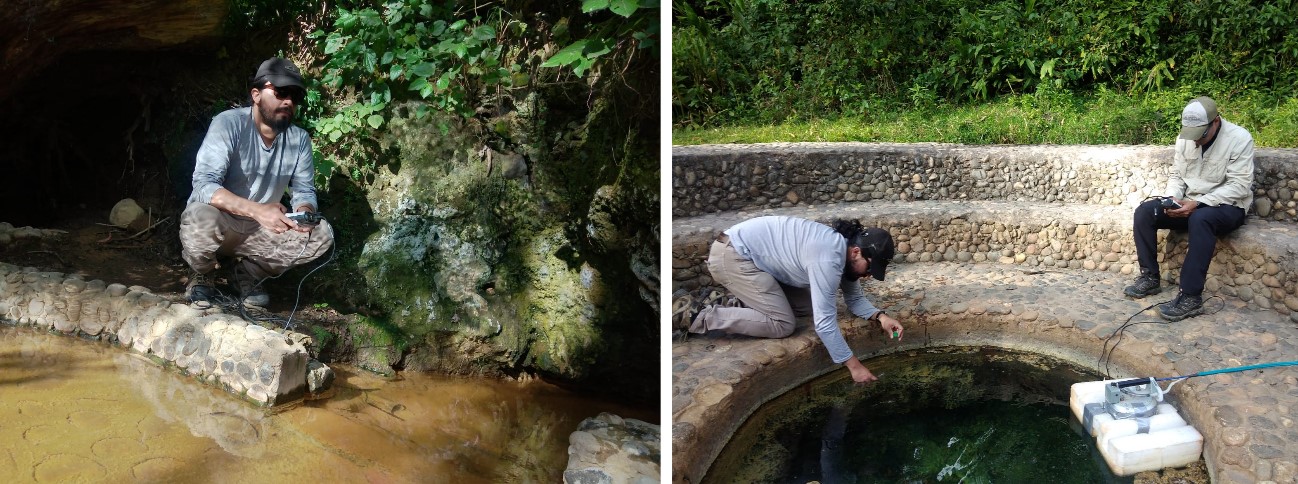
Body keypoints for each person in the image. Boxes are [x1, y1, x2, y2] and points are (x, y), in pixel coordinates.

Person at [180, 57, 334, 308]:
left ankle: (246, 275)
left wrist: (305, 213)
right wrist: (257, 210)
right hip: (223, 221)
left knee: (321, 234)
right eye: (281, 92)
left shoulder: (299, 139)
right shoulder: (228, 124)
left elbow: (304, 190)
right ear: (256, 94)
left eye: (295, 96)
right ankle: (203, 272)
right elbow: (203, 186)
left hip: (264, 231)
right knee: (199, 216)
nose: (288, 102)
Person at [688, 215, 904, 383]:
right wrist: (855, 367)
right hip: (732, 256)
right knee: (782, 325)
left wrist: (881, 317)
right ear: (857, 252)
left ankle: (747, 303)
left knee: (808, 305)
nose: (868, 276)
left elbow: (854, 299)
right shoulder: (828, 259)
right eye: (870, 268)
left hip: (752, 258)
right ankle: (695, 316)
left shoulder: (843, 251)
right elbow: (824, 324)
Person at [1124, 96, 1254, 321]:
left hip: (1228, 206)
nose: (1195, 141)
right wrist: (1173, 199)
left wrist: (1200, 203)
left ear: (1215, 122)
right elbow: (1178, 175)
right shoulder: (1185, 138)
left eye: (1200, 135)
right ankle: (1149, 277)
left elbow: (1239, 186)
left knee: (1201, 219)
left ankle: (1191, 297)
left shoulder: (1239, 138)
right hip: (1190, 203)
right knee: (1145, 212)